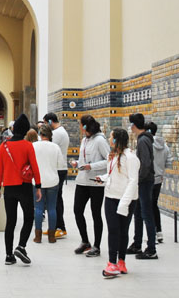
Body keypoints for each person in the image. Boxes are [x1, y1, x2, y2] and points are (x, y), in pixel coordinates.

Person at [0, 114, 42, 265]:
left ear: (13, 129)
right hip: (24, 186)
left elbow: (0, 170)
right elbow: (34, 167)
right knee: (29, 217)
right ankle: (21, 246)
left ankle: (8, 256)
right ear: (26, 130)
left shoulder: (4, 146)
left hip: (8, 187)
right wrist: (39, 186)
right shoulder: (28, 146)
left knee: (10, 221)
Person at [99, 128, 140, 278]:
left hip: (126, 200)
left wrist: (124, 202)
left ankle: (120, 261)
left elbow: (133, 181)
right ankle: (112, 262)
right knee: (113, 230)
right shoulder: (114, 155)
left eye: (111, 137)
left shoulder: (131, 158)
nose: (109, 140)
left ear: (116, 139)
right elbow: (113, 175)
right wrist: (103, 178)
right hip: (110, 197)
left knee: (123, 231)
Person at [70, 115, 108, 257]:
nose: (80, 128)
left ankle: (97, 246)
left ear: (85, 126)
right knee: (77, 210)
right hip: (82, 181)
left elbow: (108, 160)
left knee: (95, 214)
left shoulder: (100, 140)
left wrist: (91, 166)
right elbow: (83, 159)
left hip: (95, 183)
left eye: (81, 125)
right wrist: (78, 164)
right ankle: (85, 241)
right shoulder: (85, 140)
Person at [127, 113, 157, 259]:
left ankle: (151, 249)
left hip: (144, 182)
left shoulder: (143, 140)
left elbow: (145, 164)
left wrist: (137, 180)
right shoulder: (143, 139)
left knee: (146, 214)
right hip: (142, 181)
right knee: (138, 213)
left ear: (133, 125)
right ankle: (137, 244)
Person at [32, 125, 63, 243]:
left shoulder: (34, 146)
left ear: (40, 134)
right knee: (52, 208)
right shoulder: (55, 147)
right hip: (52, 180)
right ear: (50, 135)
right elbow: (60, 165)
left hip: (38, 181)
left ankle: (38, 236)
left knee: (38, 208)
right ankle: (51, 236)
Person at [44, 112, 70, 238]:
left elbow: (49, 147)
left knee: (56, 199)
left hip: (59, 168)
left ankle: (60, 227)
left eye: (45, 123)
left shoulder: (57, 133)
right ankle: (54, 226)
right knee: (55, 198)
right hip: (59, 167)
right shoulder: (61, 131)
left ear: (49, 122)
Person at [146, 121, 172, 243]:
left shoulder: (147, 145)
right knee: (154, 205)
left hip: (148, 179)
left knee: (147, 207)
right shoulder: (165, 146)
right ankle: (159, 232)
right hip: (159, 180)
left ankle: (152, 234)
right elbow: (169, 163)